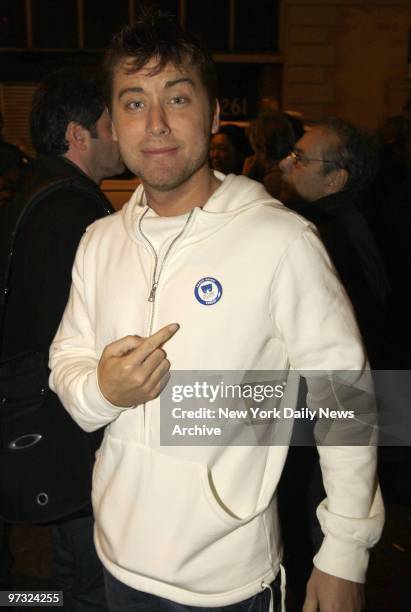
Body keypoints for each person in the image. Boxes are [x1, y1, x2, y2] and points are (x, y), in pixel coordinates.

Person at [49, 12, 384, 612]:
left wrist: (343, 554)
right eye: (133, 103)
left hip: (227, 579)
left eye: (177, 97)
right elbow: (66, 359)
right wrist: (102, 391)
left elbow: (345, 396)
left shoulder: (282, 242)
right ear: (113, 123)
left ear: (211, 114)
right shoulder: (99, 241)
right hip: (116, 559)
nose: (155, 123)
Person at [0, 67, 124, 610]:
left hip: (37, 412)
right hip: (64, 419)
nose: (121, 133)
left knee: (70, 559)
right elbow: (81, 327)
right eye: (110, 122)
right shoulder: (74, 211)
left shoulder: (31, 187)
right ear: (79, 134)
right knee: (89, 567)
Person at [278, 118, 389, 609]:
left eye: (302, 158)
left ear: (336, 178)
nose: (287, 162)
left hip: (321, 414)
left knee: (310, 518)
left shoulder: (326, 234)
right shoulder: (336, 224)